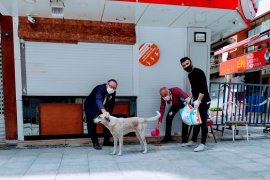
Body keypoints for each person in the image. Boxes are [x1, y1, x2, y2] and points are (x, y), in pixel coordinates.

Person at [180, 57, 211, 152]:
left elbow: (203, 88)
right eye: (184, 65)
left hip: (204, 100)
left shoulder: (199, 72)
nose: (186, 66)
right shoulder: (190, 75)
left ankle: (203, 144)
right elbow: (194, 89)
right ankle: (193, 141)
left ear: (191, 62)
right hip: (197, 101)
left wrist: (198, 100)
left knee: (202, 122)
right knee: (196, 121)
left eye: (187, 63)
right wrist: (190, 97)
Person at [84, 79, 117, 150]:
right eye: (111, 86)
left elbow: (112, 103)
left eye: (114, 88)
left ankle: (107, 141)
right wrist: (104, 111)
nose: (112, 89)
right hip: (91, 108)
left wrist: (109, 114)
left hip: (103, 109)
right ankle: (95, 142)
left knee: (108, 123)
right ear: (107, 84)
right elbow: (98, 99)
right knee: (92, 125)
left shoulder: (113, 92)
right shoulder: (100, 88)